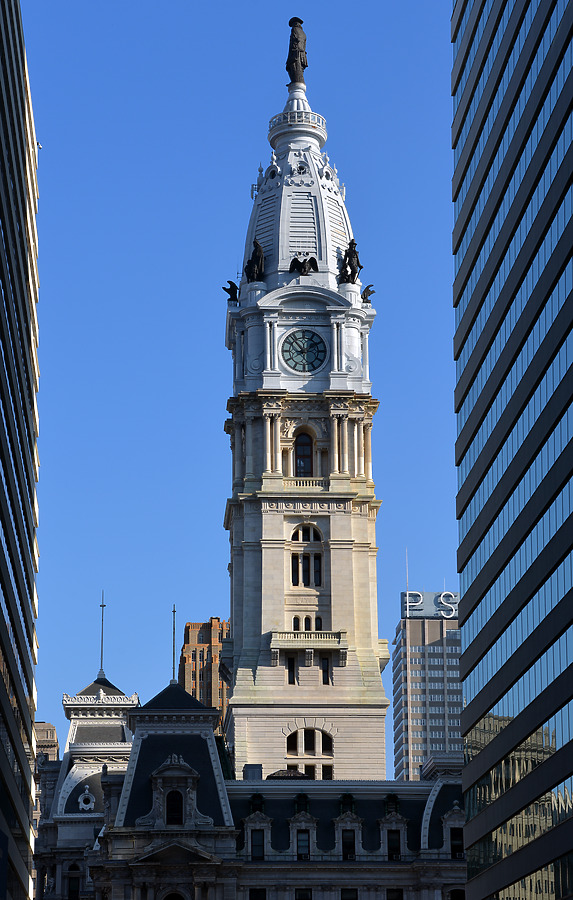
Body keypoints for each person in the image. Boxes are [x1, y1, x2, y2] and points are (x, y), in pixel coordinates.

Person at [286, 17, 308, 84]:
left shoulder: (294, 29)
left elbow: (295, 40)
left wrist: (294, 49)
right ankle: (298, 81)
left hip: (295, 52)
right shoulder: (303, 33)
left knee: (292, 66)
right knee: (300, 68)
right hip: (302, 54)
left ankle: (295, 81)